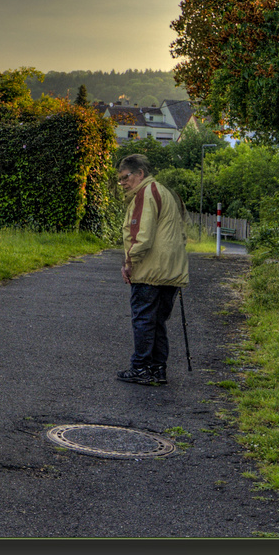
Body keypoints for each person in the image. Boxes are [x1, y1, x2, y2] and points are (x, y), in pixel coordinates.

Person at [114, 153, 188, 385]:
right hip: (171, 270)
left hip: (151, 270)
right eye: (120, 179)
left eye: (125, 177)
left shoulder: (145, 194)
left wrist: (128, 263)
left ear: (140, 174)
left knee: (143, 319)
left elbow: (141, 236)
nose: (123, 183)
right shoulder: (164, 192)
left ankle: (140, 368)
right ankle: (158, 369)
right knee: (157, 321)